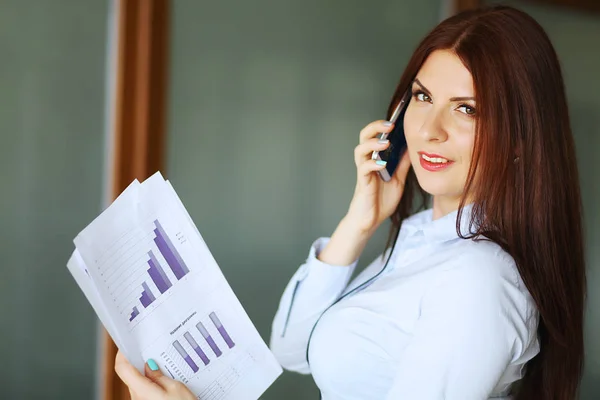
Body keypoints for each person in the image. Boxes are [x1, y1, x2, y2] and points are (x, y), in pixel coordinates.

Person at [115, 4, 586, 400]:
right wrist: (360, 222)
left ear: (522, 138)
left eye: (467, 108)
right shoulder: (421, 239)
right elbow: (290, 347)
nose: (430, 129)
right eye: (423, 97)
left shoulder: (479, 278)